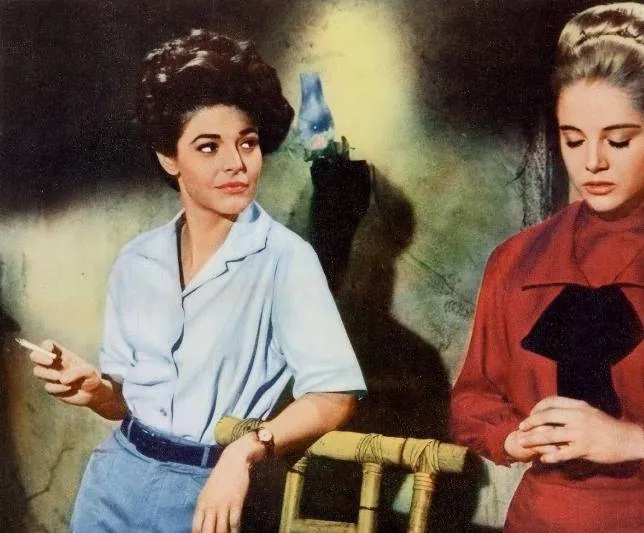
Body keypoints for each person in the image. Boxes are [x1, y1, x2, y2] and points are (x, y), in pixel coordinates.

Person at [28, 29, 366, 533]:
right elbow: (125, 401)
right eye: (209, 147)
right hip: (113, 480)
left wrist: (245, 453)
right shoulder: (137, 260)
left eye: (247, 143)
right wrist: (96, 389)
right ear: (169, 158)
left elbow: (335, 395)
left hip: (208, 492)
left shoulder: (285, 260)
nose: (237, 163)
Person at [450, 3, 644, 532]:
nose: (592, 162)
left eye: (619, 140)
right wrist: (512, 438)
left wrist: (630, 439)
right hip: (540, 518)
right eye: (573, 139)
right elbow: (474, 397)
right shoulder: (517, 260)